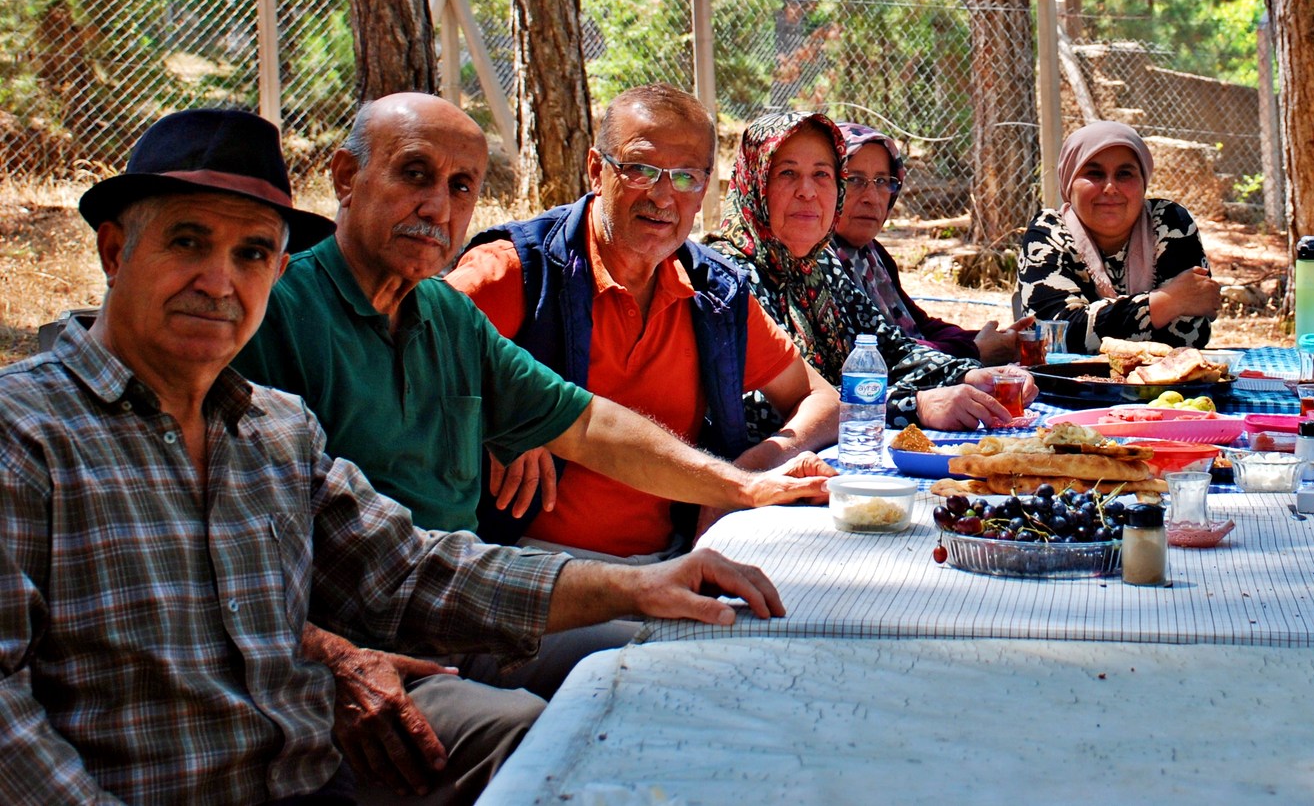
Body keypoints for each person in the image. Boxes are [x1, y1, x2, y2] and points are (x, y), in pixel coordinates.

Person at [0, 109, 788, 806]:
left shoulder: (273, 430)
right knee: (545, 735)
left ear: (274, 269)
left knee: (657, 689)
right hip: (244, 752)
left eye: (250, 254)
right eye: (187, 241)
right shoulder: (27, 436)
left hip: (307, 764)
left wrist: (646, 580)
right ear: (112, 250)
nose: (219, 280)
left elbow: (415, 569)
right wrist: (339, 654)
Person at [234, 93, 832, 805]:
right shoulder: (277, 314)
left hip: (467, 602)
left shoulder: (444, 314)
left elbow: (587, 425)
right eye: (414, 174)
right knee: (545, 738)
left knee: (692, 653)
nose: (437, 205)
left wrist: (738, 487)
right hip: (366, 636)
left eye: (461, 187)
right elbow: (228, 553)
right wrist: (329, 654)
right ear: (343, 177)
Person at [446, 84, 842, 558]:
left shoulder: (713, 293)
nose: (662, 196)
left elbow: (822, 399)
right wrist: (496, 416)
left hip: (675, 560)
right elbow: (400, 353)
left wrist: (752, 469)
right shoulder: (519, 271)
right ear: (596, 170)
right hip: (527, 566)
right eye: (639, 170)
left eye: (685, 178)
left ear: (704, 188)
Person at [708, 111, 1026, 434]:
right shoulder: (725, 281)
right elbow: (764, 411)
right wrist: (916, 406)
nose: (807, 191)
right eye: (787, 173)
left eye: (822, 175)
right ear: (755, 182)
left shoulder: (819, 267)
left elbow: (891, 349)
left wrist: (969, 375)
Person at [831, 121, 1036, 364]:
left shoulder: (872, 256)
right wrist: (975, 351)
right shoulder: (821, 263)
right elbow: (883, 353)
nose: (872, 198)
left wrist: (1000, 340)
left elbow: (921, 325)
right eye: (854, 180)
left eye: (883, 181)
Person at [1016, 120, 1220, 352]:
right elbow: (1053, 337)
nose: (1111, 187)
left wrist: (1093, 323)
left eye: (1125, 174)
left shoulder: (1170, 222)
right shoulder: (1046, 231)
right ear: (1069, 182)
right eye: (1094, 173)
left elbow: (1191, 334)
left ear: (1143, 182)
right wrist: (1165, 302)